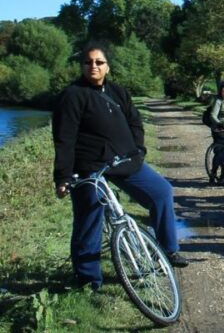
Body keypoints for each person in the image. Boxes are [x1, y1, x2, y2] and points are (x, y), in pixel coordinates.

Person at [52, 43, 188, 290]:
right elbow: (64, 137)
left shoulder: (118, 92)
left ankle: (169, 250)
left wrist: (138, 150)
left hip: (125, 160)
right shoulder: (72, 95)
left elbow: (135, 123)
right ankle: (89, 278)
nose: (93, 66)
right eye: (88, 62)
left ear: (107, 66)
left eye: (99, 62)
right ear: (82, 66)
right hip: (89, 166)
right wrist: (63, 176)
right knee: (89, 214)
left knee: (162, 192)